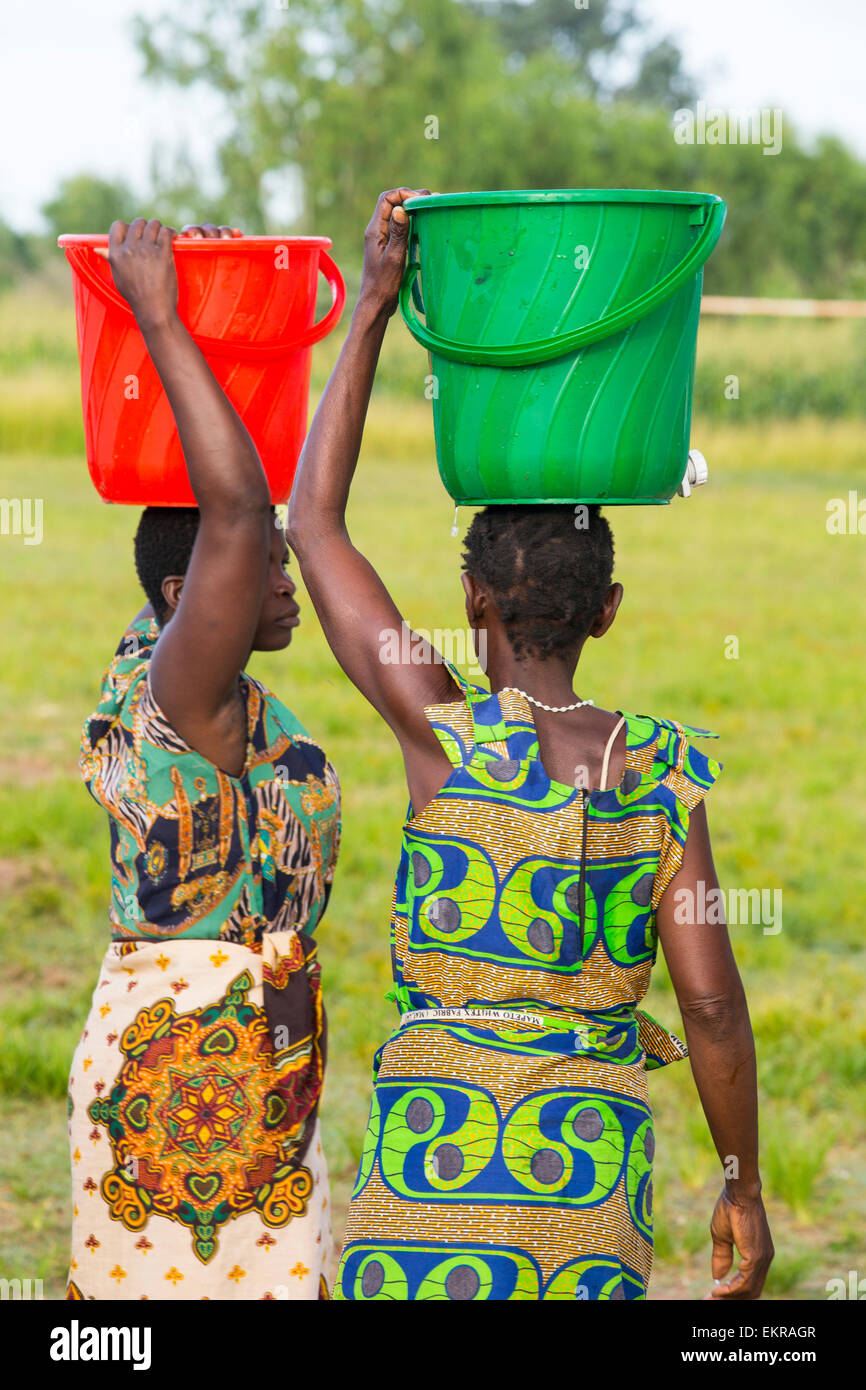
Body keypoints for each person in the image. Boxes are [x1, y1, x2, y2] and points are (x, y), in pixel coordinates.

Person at [286, 188, 774, 1301]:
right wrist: (740, 1184)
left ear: (470, 604)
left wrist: (370, 303)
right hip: (584, 1204)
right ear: (607, 611)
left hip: (423, 1196)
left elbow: (312, 524)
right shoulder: (660, 773)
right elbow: (708, 1006)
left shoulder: (441, 731)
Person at [67, 219, 340, 1301]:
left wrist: (311, 307)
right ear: (193, 601)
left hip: (232, 1059)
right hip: (187, 1073)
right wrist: (163, 319)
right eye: (266, 567)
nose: (285, 580)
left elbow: (286, 501)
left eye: (279, 562)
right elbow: (230, 505)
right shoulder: (186, 691)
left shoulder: (189, 675)